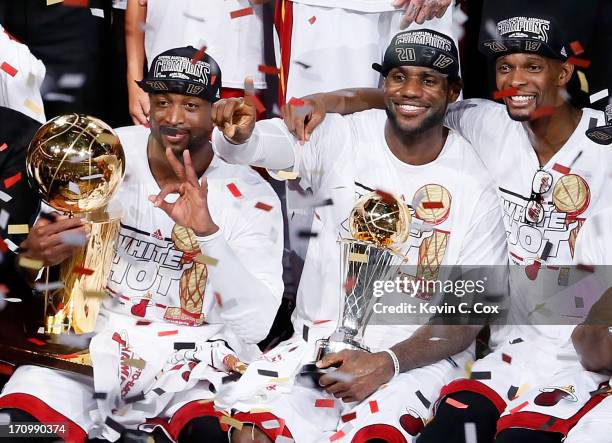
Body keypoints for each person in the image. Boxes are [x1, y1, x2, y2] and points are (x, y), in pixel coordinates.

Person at [281, 12, 612, 443]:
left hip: (584, 357)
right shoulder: (486, 123)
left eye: (532, 67)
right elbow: (407, 100)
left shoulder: (604, 146)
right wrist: (328, 101)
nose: (516, 81)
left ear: (564, 72)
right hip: (507, 352)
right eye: (505, 67)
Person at [209, 28, 508, 442]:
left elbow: (465, 319)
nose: (411, 91)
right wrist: (240, 136)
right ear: (383, 84)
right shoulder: (343, 136)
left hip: (411, 360)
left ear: (453, 90)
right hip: (316, 346)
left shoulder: (475, 186)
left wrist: (386, 362)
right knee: (250, 435)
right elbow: (266, 146)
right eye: (399, 77)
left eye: (429, 79)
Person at [0, 47, 284, 443]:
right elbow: (39, 283)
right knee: (17, 429)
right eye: (162, 101)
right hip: (88, 354)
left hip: (192, 365)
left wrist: (207, 234)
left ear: (214, 112)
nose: (172, 117)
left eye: (191, 105)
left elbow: (255, 325)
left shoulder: (251, 194)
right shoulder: (101, 154)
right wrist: (30, 258)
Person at [125, 0, 267, 126]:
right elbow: (138, 5)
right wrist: (134, 81)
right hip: (164, 74)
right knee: (161, 154)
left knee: (233, 151)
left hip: (231, 78)